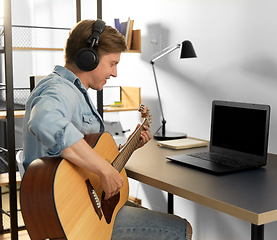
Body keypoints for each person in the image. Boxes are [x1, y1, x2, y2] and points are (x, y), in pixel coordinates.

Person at [22, 19, 192, 240]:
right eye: (112, 63)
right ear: (88, 58)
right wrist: (103, 169)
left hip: (82, 207)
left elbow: (80, 155)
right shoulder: (59, 89)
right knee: (183, 229)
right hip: (74, 215)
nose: (115, 73)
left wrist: (126, 148)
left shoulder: (75, 91)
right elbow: (45, 121)